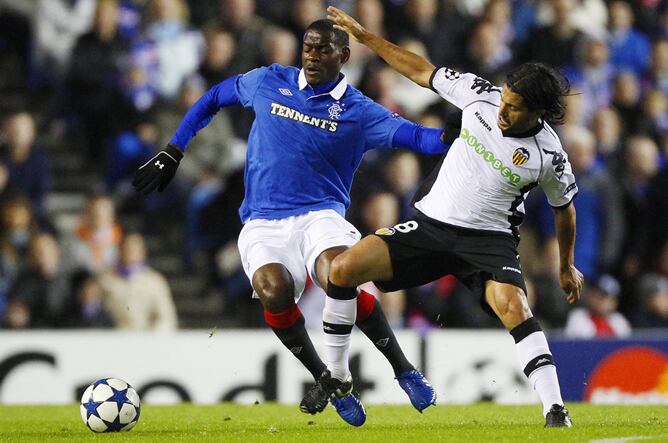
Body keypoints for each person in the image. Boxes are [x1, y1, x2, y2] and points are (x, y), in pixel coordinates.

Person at [133, 19, 451, 426]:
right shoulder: (268, 80)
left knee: (339, 271)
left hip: (320, 213)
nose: (312, 57)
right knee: (273, 289)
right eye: (307, 48)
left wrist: (449, 137)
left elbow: (413, 137)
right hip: (263, 220)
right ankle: (328, 379)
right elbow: (214, 96)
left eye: (322, 50)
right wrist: (174, 149)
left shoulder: (358, 110)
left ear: (344, 56)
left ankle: (403, 368)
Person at [326, 6, 583, 428]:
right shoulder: (478, 94)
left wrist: (566, 265)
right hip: (430, 225)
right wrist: (365, 36)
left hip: (488, 240)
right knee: (343, 268)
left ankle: (555, 409)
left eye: (515, 108)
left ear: (538, 112)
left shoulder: (549, 156)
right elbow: (419, 69)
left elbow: (565, 210)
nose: (502, 111)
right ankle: (337, 376)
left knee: (516, 307)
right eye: (504, 99)